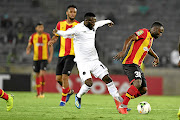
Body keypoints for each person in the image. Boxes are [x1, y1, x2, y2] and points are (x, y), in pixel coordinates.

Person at [50, 12, 122, 113]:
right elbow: (66, 33)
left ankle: (120, 104)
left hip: (94, 60)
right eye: (92, 21)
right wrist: (58, 32)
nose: (94, 23)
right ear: (86, 21)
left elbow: (101, 23)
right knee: (89, 83)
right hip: (82, 62)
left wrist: (109, 22)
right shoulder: (78, 28)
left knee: (108, 79)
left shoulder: (94, 25)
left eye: (94, 21)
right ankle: (78, 96)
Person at [113, 22, 164, 114]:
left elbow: (148, 48)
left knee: (143, 90)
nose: (161, 35)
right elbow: (130, 38)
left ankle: (120, 99)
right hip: (130, 62)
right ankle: (123, 106)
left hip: (137, 65)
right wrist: (124, 51)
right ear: (155, 29)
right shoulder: (144, 32)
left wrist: (156, 57)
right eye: (160, 32)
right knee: (137, 83)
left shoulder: (150, 39)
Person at [48, 5, 79, 106]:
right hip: (62, 54)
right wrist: (52, 40)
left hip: (72, 54)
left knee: (65, 76)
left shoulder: (78, 25)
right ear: (67, 13)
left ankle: (63, 100)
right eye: (71, 12)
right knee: (58, 79)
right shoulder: (60, 24)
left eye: (74, 12)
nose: (72, 14)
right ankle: (69, 91)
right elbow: (56, 36)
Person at [26, 22, 53, 98]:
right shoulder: (33, 36)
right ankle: (38, 93)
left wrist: (50, 56)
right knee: (37, 75)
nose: (41, 29)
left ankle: (42, 92)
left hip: (44, 58)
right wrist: (28, 50)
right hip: (36, 59)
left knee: (42, 74)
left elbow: (50, 47)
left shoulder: (47, 36)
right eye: (39, 27)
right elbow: (29, 45)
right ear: (36, 28)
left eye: (42, 27)